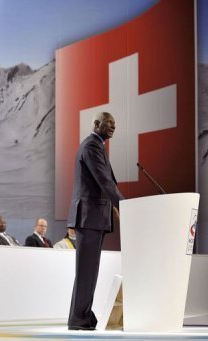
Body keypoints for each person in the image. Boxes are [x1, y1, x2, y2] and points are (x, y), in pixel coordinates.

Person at [67, 111, 124, 331]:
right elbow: (104, 181)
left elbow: (105, 181)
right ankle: (78, 317)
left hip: (93, 217)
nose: (113, 126)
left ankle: (82, 314)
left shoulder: (97, 146)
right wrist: (123, 206)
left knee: (89, 271)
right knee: (86, 271)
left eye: (115, 124)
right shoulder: (91, 146)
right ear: (96, 124)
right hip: (89, 216)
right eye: (108, 123)